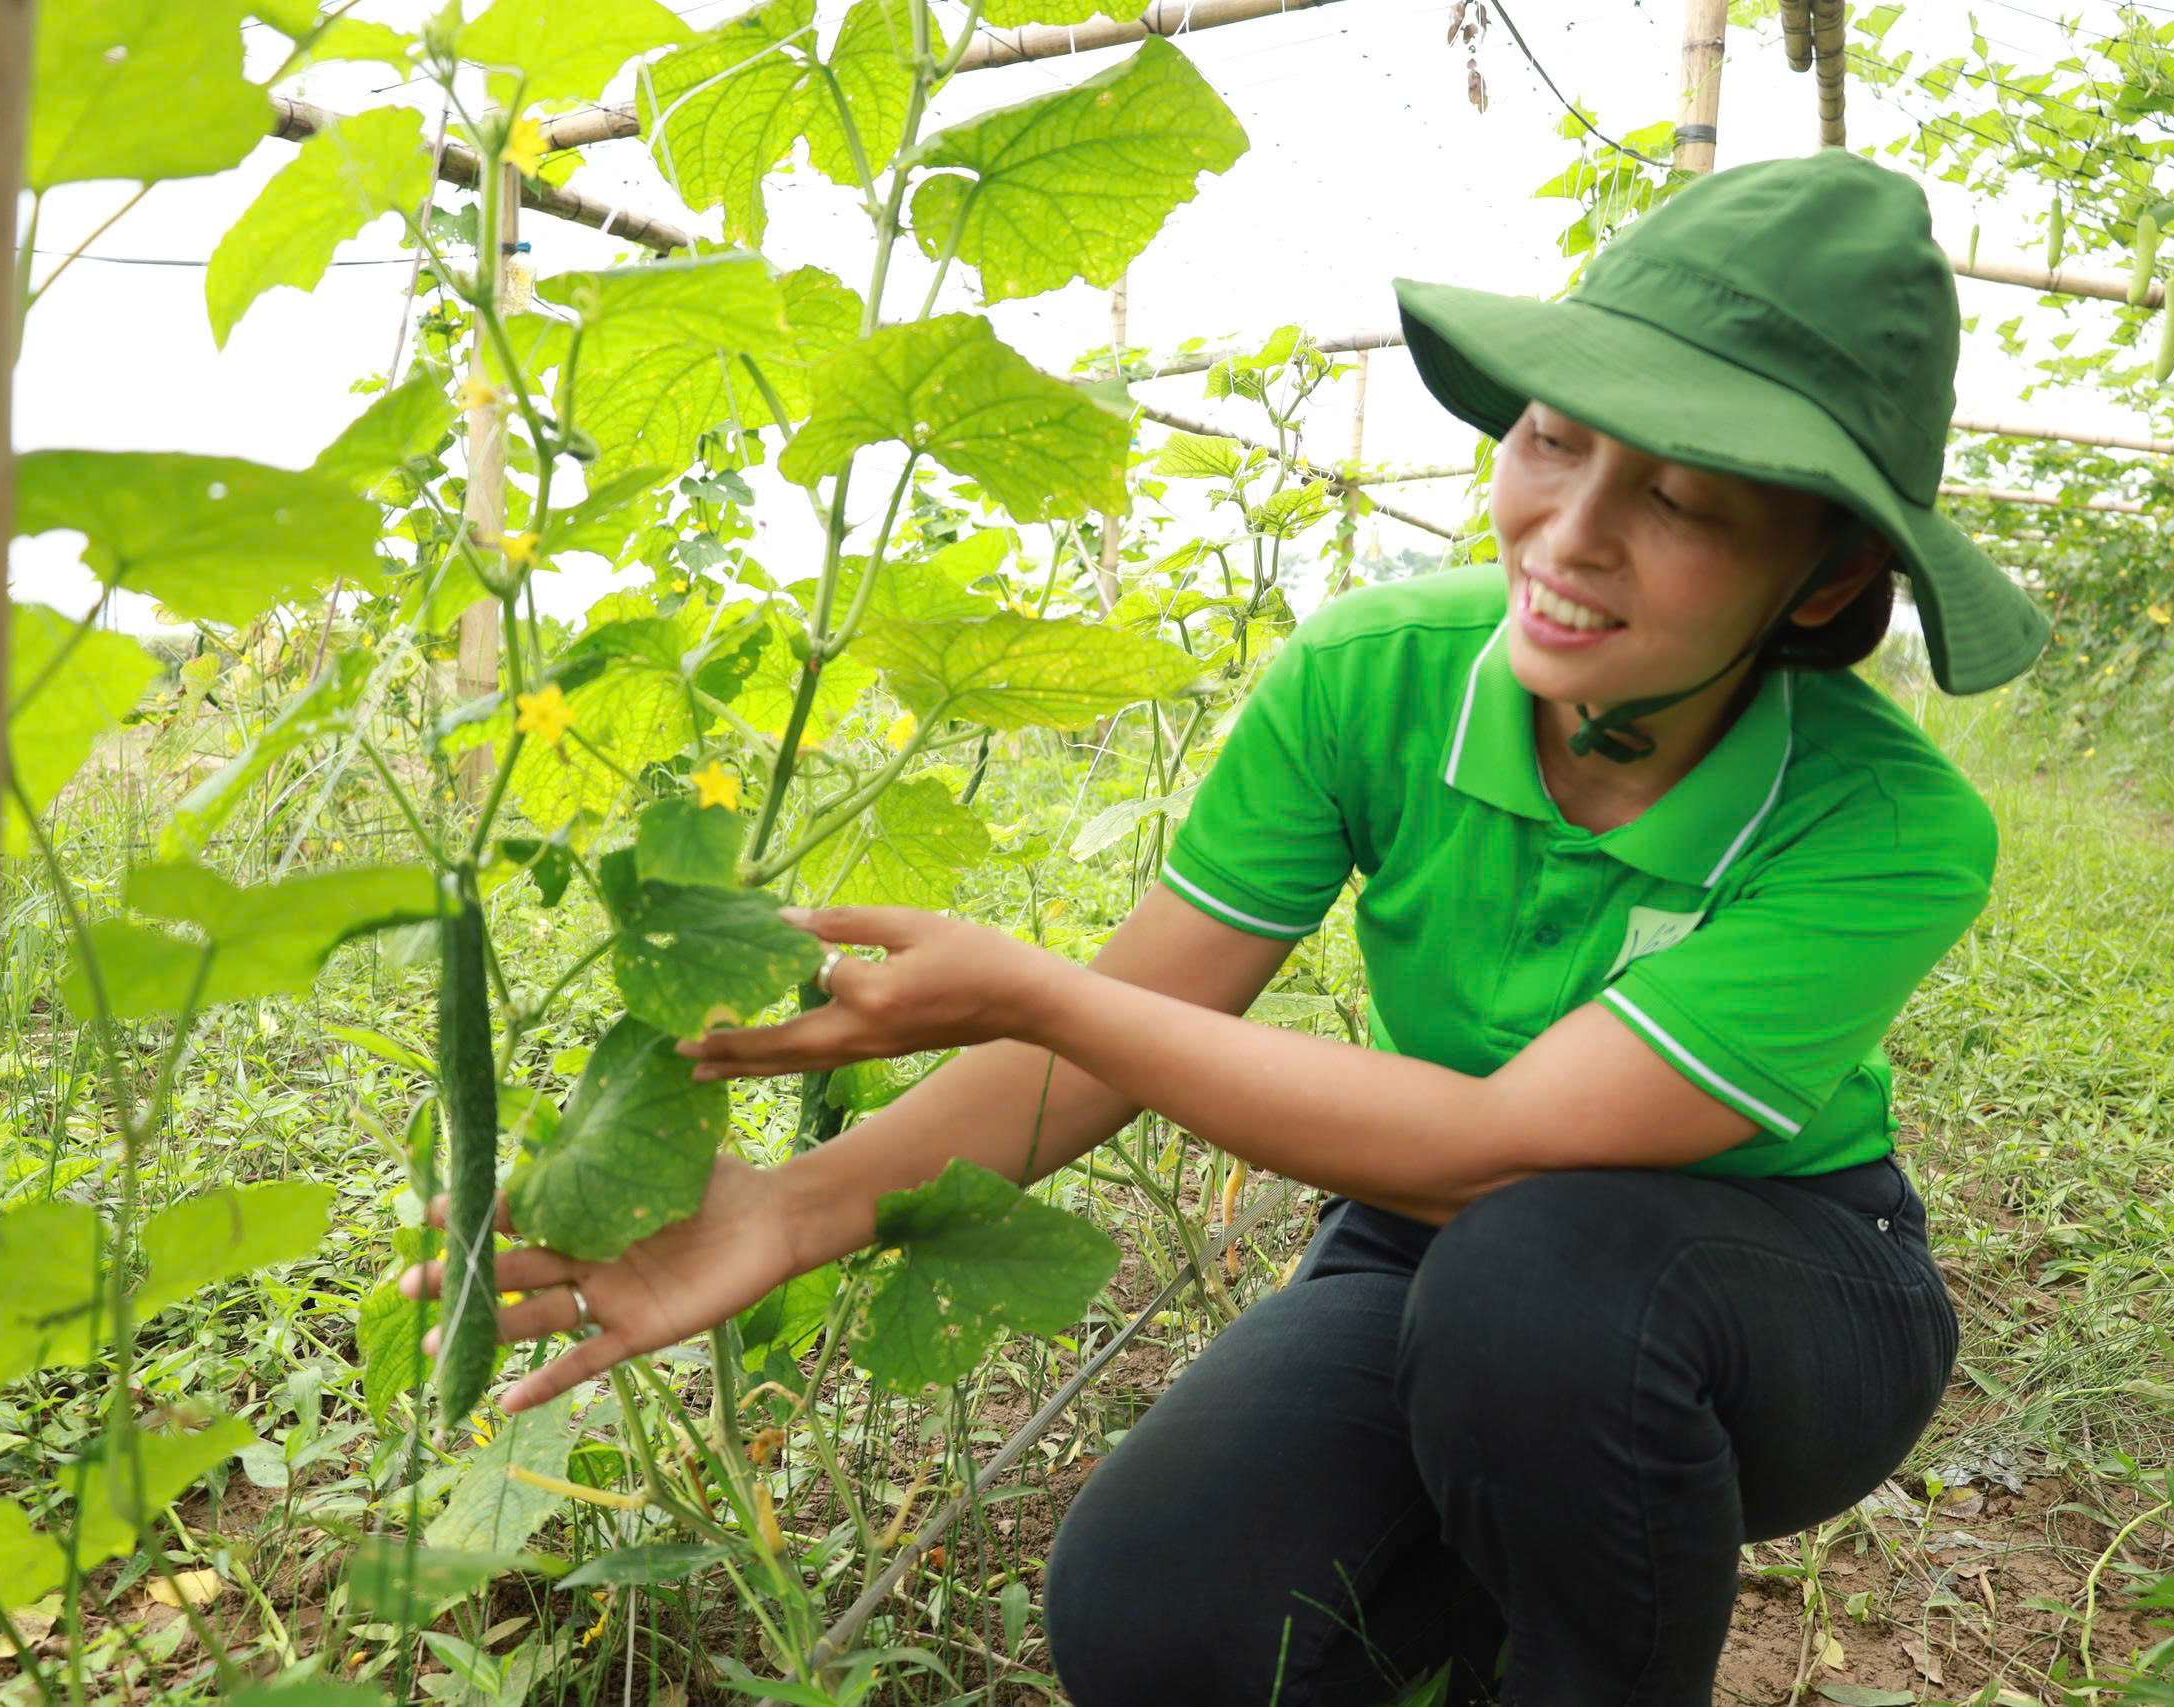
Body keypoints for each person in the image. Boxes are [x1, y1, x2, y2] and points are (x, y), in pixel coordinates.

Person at [403, 152, 2048, 1706]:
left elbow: (1504, 1151)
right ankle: (1524, 1570)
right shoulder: (1372, 677)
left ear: (1822, 580)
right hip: (1444, 1254)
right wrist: (794, 1204)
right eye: (1552, 438)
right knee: (1162, 1626)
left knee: (1547, 1284)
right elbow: (1126, 1033)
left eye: (1678, 501)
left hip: (1775, 1284)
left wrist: (1034, 992)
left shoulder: (1887, 824)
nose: (1568, 534)